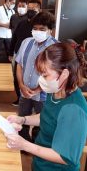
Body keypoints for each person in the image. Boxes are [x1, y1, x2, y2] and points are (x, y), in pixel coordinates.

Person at [5, 42, 87, 171]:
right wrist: (22, 120)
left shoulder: (74, 110)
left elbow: (64, 156)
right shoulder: (56, 93)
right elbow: (46, 118)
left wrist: (24, 145)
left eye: (45, 75)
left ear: (65, 73)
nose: (41, 80)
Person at [15, 11, 58, 142]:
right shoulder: (26, 42)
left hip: (44, 95)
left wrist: (38, 90)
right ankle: (22, 144)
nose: (37, 31)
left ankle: (37, 147)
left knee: (43, 123)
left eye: (42, 29)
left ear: (50, 30)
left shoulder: (56, 47)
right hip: (24, 92)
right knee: (22, 119)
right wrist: (21, 85)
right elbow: (19, 65)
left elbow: (55, 74)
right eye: (35, 28)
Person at [9, 0, 41, 106]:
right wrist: (10, 52)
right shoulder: (21, 23)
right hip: (18, 54)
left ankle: (32, 99)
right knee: (16, 77)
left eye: (34, 8)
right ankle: (19, 98)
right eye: (30, 8)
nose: (31, 10)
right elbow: (14, 38)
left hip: (35, 56)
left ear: (39, 10)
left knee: (32, 78)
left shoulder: (41, 27)